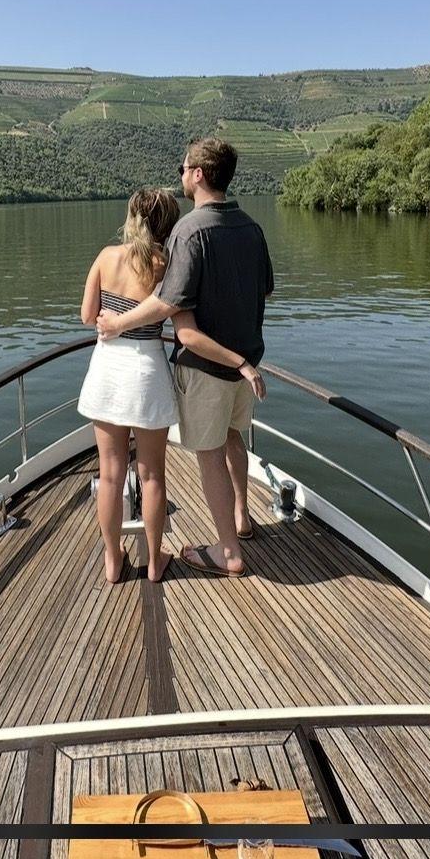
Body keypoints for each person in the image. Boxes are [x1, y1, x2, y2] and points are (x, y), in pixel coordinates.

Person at [96, 139, 273, 578]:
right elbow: (264, 289)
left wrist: (117, 324)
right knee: (233, 438)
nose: (181, 174)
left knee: (210, 454)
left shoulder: (189, 231)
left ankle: (228, 551)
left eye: (183, 167)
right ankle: (242, 516)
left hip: (209, 366)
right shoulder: (252, 228)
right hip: (246, 363)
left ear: (198, 174)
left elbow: (169, 304)